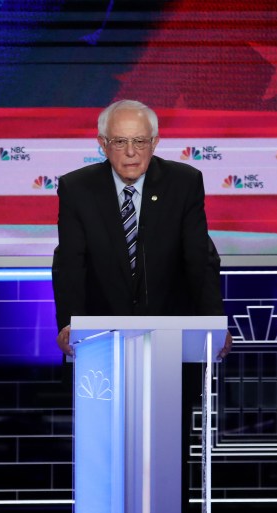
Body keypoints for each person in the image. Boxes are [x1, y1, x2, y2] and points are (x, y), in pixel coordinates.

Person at [52, 99, 231, 357]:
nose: (131, 152)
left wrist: (213, 323)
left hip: (171, 333)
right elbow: (70, 264)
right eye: (120, 142)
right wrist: (70, 324)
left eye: (140, 141)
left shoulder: (184, 183)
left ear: (154, 143)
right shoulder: (77, 188)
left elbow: (199, 259)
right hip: (101, 337)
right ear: (103, 144)